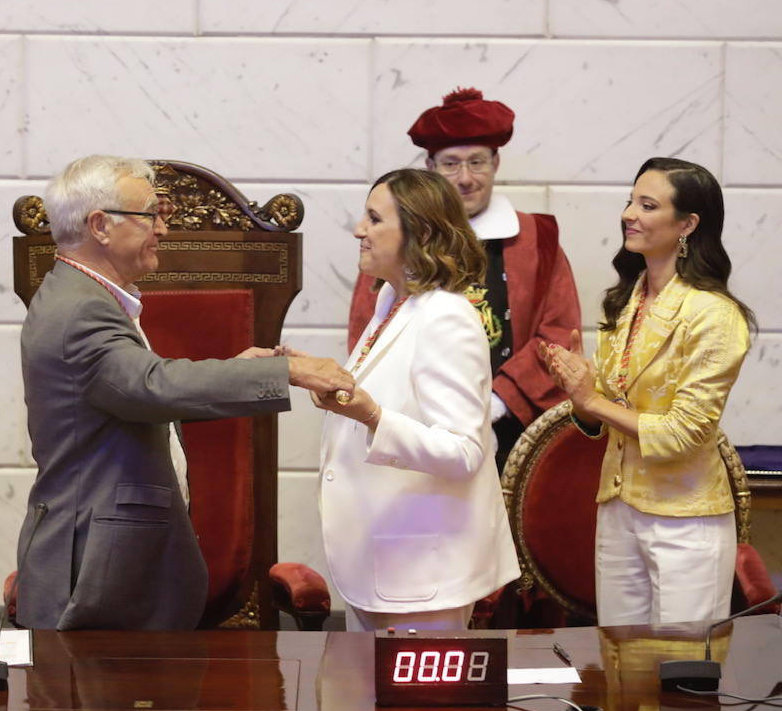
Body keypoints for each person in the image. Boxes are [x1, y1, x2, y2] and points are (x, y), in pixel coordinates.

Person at [17, 155, 354, 631]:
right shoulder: (79, 310)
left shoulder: (87, 297)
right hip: (94, 567)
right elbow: (150, 386)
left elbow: (130, 394)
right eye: (151, 215)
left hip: (105, 556)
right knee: (96, 703)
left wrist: (237, 371)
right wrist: (289, 371)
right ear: (101, 226)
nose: (163, 230)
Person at [541, 158, 753, 627]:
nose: (629, 214)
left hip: (685, 519)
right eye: (630, 201)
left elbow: (686, 434)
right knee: (621, 668)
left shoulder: (714, 315)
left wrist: (592, 398)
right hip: (617, 510)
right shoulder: (624, 301)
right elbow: (604, 418)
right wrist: (582, 393)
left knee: (679, 681)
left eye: (648, 205)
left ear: (688, 224)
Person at [316, 168, 519, 632]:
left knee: (419, 708)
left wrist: (370, 414)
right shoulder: (393, 302)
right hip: (381, 560)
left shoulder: (446, 315)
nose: (359, 230)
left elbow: (464, 451)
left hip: (422, 571)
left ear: (420, 232)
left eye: (374, 218)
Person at [348, 88, 580, 468]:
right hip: (413, 425)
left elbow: (558, 333)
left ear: (497, 163)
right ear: (430, 166)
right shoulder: (392, 241)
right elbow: (368, 333)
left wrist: (497, 402)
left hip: (515, 424)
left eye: (477, 162)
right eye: (451, 164)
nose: (466, 178)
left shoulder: (538, 239)